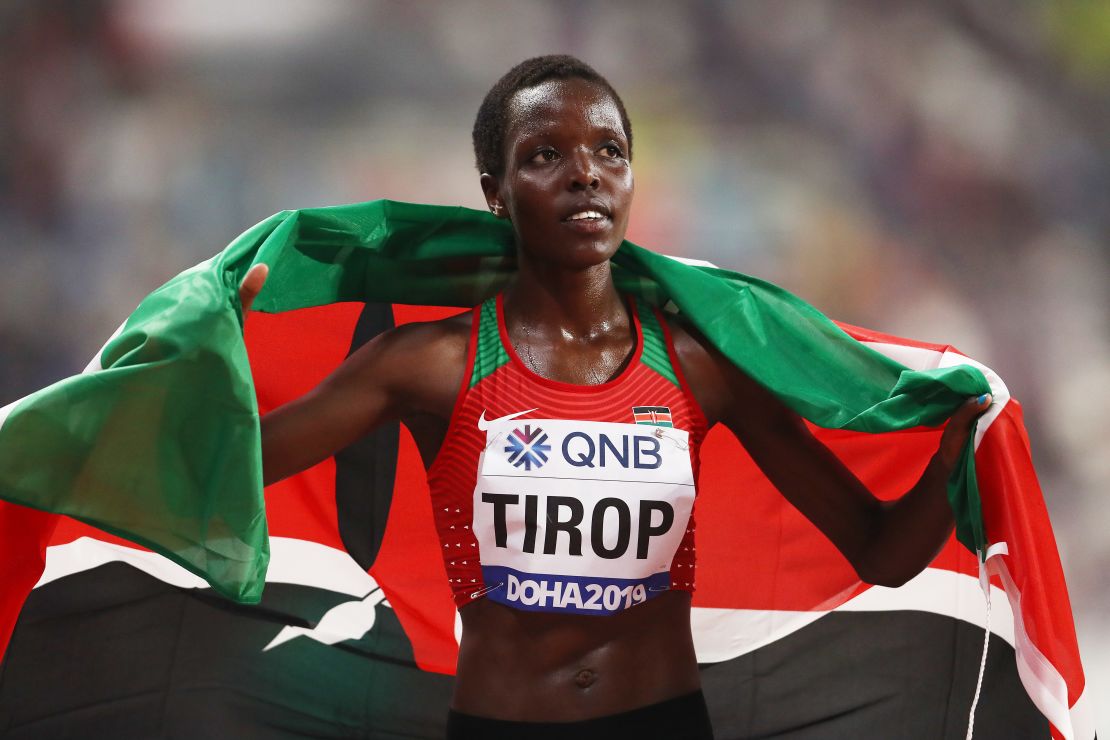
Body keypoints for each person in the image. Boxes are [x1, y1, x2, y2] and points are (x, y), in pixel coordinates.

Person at [237, 55, 990, 740]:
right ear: (495, 194)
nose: (585, 174)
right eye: (545, 155)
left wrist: (957, 455)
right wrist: (216, 349)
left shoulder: (699, 365)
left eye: (609, 152)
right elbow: (229, 471)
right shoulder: (431, 365)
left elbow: (882, 553)